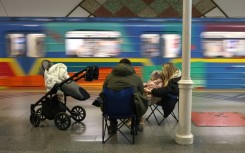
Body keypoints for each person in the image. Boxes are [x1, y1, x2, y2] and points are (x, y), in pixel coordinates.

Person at [100, 58, 148, 134]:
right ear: (130, 66)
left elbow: (104, 89)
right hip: (130, 110)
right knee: (139, 100)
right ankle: (135, 126)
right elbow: (141, 92)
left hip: (110, 110)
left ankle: (113, 127)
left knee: (112, 99)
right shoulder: (136, 77)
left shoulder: (109, 77)